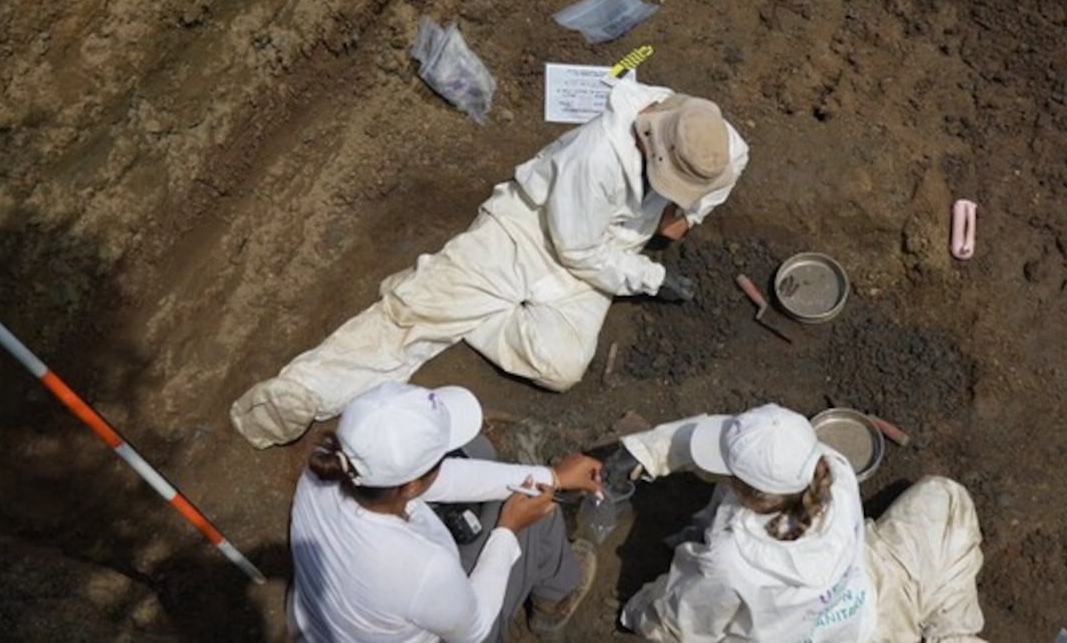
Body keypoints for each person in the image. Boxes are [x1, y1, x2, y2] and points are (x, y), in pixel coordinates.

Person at [231, 78, 749, 448]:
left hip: (605, 254)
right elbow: (576, 250)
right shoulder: (598, 155)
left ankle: (450, 293)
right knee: (412, 319)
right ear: (652, 138)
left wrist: (683, 214)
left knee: (561, 367)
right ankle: (297, 394)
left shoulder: (721, 148)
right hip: (529, 230)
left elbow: (703, 198)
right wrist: (650, 277)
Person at [608, 404, 988, 643]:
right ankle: (952, 633)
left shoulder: (731, 558)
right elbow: (742, 438)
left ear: (741, 488)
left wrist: (638, 611)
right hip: (870, 599)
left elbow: (687, 621)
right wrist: (646, 449)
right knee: (944, 497)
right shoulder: (831, 466)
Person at [288, 381, 603, 642]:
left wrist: (554, 477)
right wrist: (508, 529)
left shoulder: (327, 466)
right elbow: (474, 630)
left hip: (326, 624)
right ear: (410, 486)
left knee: (477, 449)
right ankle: (551, 606)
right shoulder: (422, 567)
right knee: (539, 516)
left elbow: (444, 479)